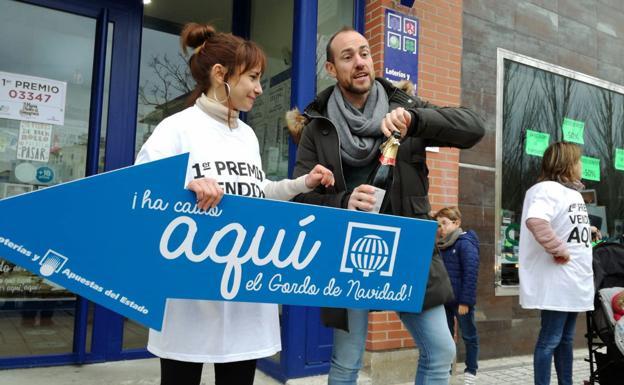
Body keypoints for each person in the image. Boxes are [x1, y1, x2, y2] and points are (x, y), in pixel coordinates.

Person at [135, 23, 334, 385]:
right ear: (220, 75)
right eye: (254, 77)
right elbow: (139, 189)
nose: (260, 88)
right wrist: (188, 185)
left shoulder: (246, 135)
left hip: (245, 289)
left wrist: (302, 184)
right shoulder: (177, 127)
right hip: (190, 292)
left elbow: (257, 193)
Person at [289, 27, 485, 385]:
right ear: (331, 69)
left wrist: (417, 121)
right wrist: (344, 201)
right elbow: (301, 199)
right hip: (348, 254)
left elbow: (474, 128)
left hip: (410, 250)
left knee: (441, 351)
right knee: (348, 360)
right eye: (347, 56)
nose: (360, 62)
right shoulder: (318, 127)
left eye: (364, 52)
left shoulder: (406, 108)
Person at [518, 142, 594, 385]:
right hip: (557, 281)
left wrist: (586, 229)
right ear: (567, 164)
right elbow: (537, 220)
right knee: (550, 339)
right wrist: (559, 249)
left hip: (572, 281)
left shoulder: (571, 193)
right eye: (579, 161)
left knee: (566, 339)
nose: (582, 165)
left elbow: (560, 223)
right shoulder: (547, 189)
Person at [434, 207, 480, 384]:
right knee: (445, 337)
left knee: (468, 335)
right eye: (438, 225)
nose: (441, 228)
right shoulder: (441, 245)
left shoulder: (465, 243)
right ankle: (446, 370)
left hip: (461, 301)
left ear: (457, 223)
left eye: (444, 223)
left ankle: (471, 370)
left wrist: (466, 302)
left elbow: (471, 273)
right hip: (444, 300)